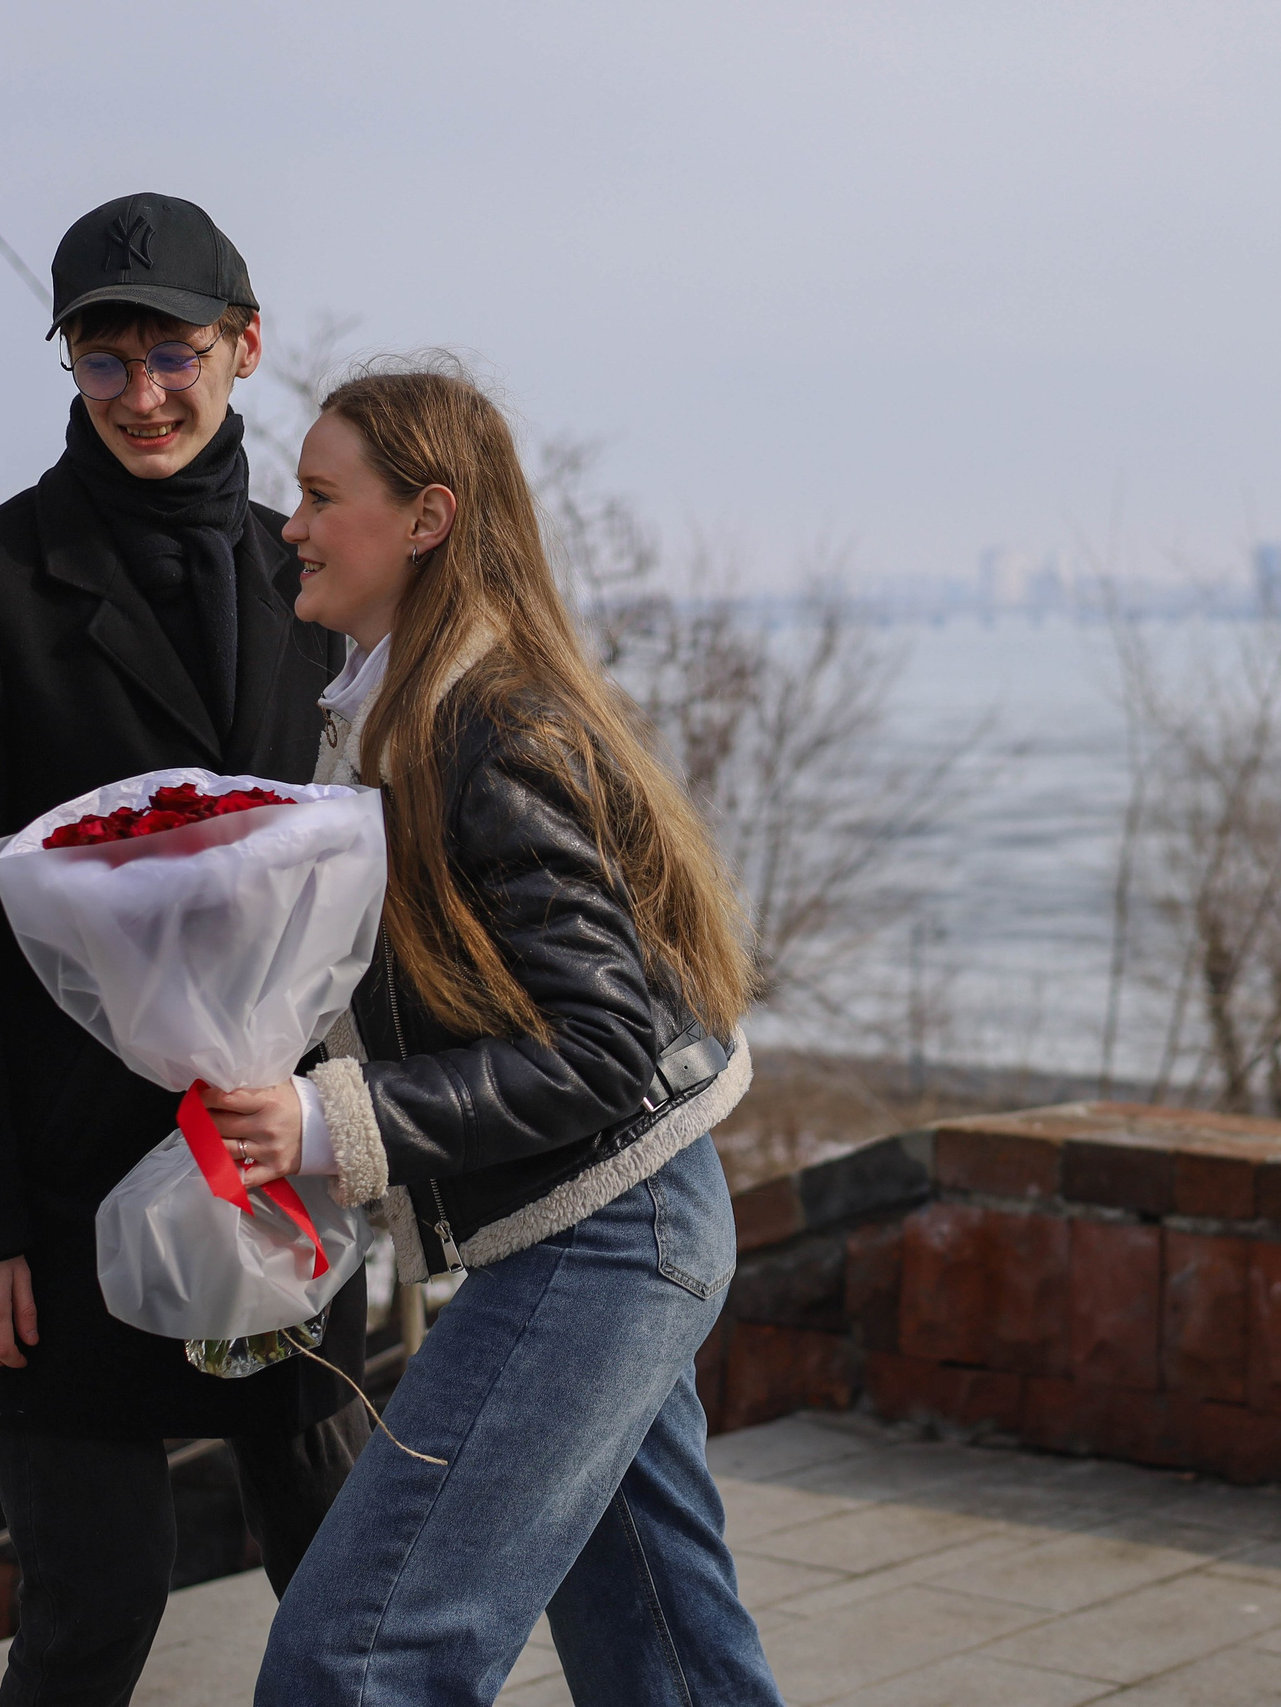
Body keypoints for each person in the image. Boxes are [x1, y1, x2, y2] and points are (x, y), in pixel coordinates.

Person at [199, 363, 783, 1705]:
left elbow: (601, 1049)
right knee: (666, 1660)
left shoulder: (485, 725)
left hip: (609, 1233)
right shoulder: (400, 710)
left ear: (427, 519)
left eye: (320, 496)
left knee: (357, 1659)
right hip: (610, 1220)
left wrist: (324, 1125)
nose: (292, 525)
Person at [0, 192, 367, 1706]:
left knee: (353, 1588)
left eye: (172, 354)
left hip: (276, 1172)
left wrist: (378, 1137)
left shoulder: (316, 579)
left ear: (245, 346)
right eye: (104, 359)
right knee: (98, 1610)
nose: (142, 394)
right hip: (56, 1198)